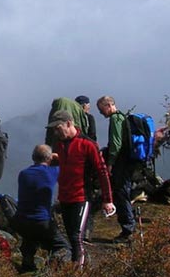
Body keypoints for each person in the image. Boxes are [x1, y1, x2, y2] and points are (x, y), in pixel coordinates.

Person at [48, 110, 115, 263]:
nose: (56, 131)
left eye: (58, 128)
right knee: (71, 236)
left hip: (82, 196)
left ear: (69, 124)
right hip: (64, 197)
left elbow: (102, 171)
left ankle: (78, 270)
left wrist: (107, 199)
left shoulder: (87, 144)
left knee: (76, 236)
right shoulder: (59, 144)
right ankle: (76, 266)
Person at [11, 144, 70, 272]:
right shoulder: (52, 172)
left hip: (21, 220)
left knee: (30, 237)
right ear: (49, 159)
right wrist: (56, 157)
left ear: (33, 157)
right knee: (63, 247)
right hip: (42, 222)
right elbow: (66, 163)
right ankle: (50, 269)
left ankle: (27, 263)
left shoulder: (23, 174)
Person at [96, 95, 136, 243]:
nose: (101, 113)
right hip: (128, 161)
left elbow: (116, 143)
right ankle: (129, 227)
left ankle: (128, 230)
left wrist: (110, 162)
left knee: (121, 192)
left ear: (108, 106)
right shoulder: (122, 117)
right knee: (123, 191)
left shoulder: (115, 119)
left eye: (101, 110)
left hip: (121, 162)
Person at [75, 95, 99, 242]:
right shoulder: (89, 119)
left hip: (75, 162)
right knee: (87, 195)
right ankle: (86, 230)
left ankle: (78, 228)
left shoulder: (72, 121)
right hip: (87, 161)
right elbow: (93, 137)